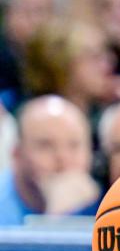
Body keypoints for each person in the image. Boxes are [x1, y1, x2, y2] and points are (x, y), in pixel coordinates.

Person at [0, 95, 99, 226]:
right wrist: (57, 217)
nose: (63, 158)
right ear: (16, 154)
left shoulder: (106, 203)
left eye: (74, 145)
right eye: (45, 145)